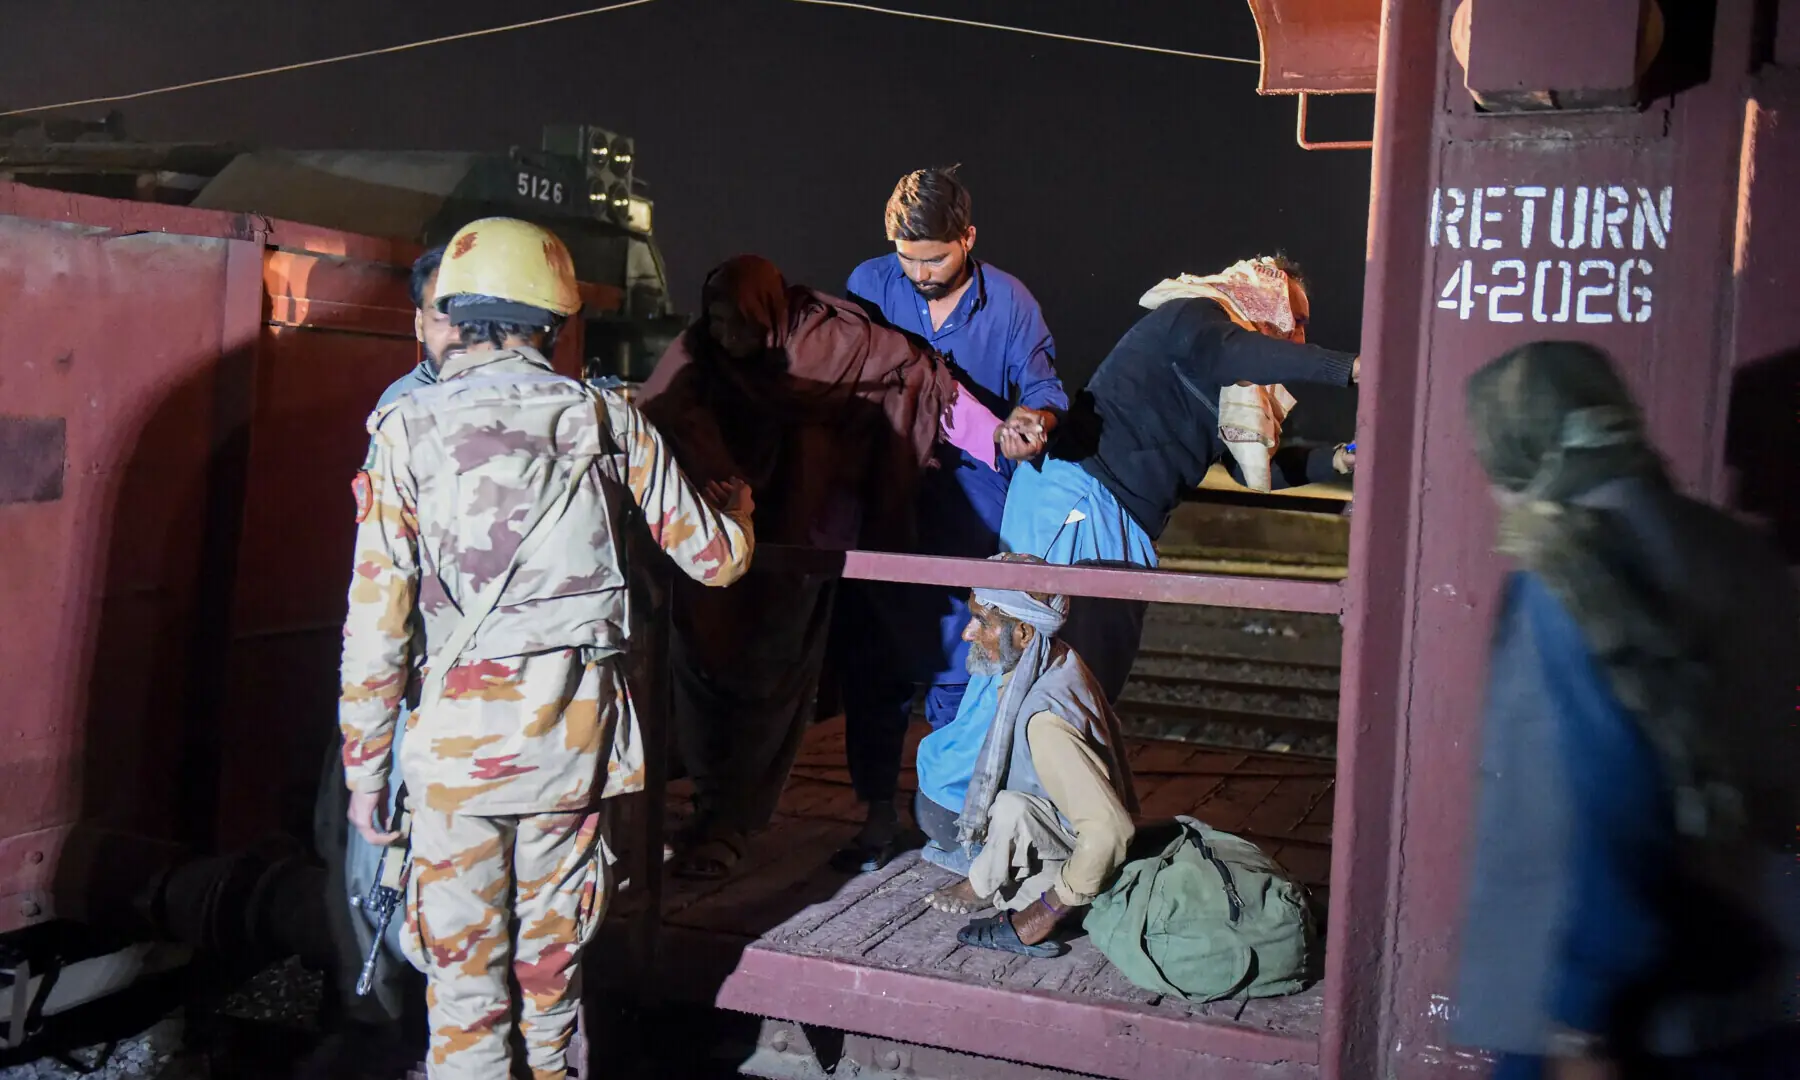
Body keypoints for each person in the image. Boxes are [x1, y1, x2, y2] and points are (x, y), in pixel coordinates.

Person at [337, 217, 755, 1080]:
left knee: (462, 995)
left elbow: (376, 626)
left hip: (450, 765)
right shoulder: (609, 418)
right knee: (551, 982)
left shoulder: (405, 430)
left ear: (454, 314)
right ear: (556, 324)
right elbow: (714, 562)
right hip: (567, 757)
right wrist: (742, 517)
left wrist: (365, 776)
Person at [914, 257, 1361, 843]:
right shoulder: (1193, 321)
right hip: (1075, 498)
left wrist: (1336, 460)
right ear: (1261, 291)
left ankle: (1024, 815)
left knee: (1076, 679)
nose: (1293, 331)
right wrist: (1354, 367)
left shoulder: (1220, 377)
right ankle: (947, 801)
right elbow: (1243, 353)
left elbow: (1250, 467)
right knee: (1024, 663)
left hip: (1111, 517)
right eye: (1291, 315)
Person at [1451, 342, 1800, 1079]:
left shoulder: (1574, 570)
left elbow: (1617, 795)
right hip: (1753, 988)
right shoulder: (1744, 551)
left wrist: (1581, 1020)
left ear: (1523, 446)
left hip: (1619, 1012)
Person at [638, 254, 1026, 880]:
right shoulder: (699, 356)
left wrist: (1012, 454)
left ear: (768, 314)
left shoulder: (831, 343)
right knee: (700, 675)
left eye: (738, 323)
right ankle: (707, 808)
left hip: (796, 545)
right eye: (715, 322)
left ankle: (733, 822)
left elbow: (922, 382)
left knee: (770, 685)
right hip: (712, 546)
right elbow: (653, 418)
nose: (726, 338)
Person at [834, 166, 1068, 872]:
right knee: (872, 672)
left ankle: (945, 819)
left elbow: (1044, 387)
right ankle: (876, 817)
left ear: (968, 238)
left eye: (934, 258)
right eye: (907, 258)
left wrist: (1035, 418)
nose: (919, 273)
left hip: (971, 521)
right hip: (883, 509)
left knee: (960, 677)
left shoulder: (1012, 304)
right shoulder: (871, 285)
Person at [308, 243, 453, 1074]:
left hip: (485, 699)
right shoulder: (405, 414)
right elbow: (385, 595)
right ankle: (378, 1022)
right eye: (441, 312)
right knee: (367, 852)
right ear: (418, 323)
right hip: (414, 685)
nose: (456, 330)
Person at [913, 554, 1138, 958]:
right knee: (1008, 806)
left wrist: (1045, 911)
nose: (967, 634)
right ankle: (982, 882)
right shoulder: (1056, 659)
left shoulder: (1045, 720)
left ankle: (1039, 904)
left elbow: (1109, 832)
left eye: (982, 621)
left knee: (1013, 876)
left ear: (1023, 634)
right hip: (1055, 825)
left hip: (1079, 862)